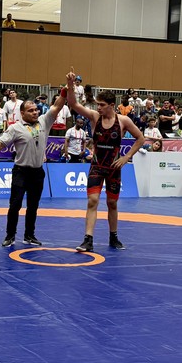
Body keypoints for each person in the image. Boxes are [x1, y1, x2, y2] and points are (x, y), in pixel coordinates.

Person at [65, 72, 145, 252]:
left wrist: (126, 157)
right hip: (96, 165)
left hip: (114, 168)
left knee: (112, 203)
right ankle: (88, 239)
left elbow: (140, 139)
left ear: (111, 105)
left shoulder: (123, 120)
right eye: (98, 104)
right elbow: (73, 104)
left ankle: (113, 237)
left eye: (102, 105)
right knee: (92, 201)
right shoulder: (94, 117)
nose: (98, 107)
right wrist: (70, 85)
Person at [0, 91, 68, 247]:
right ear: (22, 113)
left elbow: (57, 106)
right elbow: (0, 144)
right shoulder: (15, 128)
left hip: (37, 172)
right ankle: (10, 235)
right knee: (15, 205)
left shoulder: (44, 121)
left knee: (33, 206)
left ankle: (29, 235)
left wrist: (65, 90)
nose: (35, 112)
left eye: (36, 110)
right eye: (31, 110)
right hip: (21, 171)